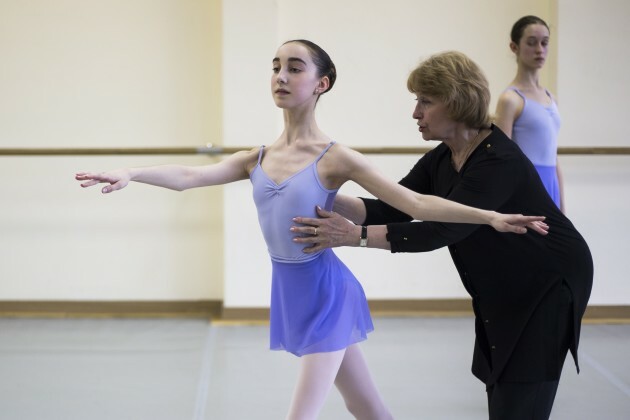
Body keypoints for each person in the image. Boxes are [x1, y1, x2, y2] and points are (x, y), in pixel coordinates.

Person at [76, 41, 545, 420]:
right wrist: (132, 172)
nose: (281, 76)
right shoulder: (257, 157)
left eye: (294, 68)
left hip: (328, 295)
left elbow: (415, 204)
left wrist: (488, 217)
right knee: (365, 408)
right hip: (291, 292)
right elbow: (190, 176)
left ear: (322, 83)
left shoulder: (336, 157)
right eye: (276, 67)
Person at [292, 51, 593, 420]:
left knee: (521, 392)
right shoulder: (443, 158)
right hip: (505, 284)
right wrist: (323, 192)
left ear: (456, 101)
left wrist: (355, 236)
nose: (415, 113)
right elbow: (392, 207)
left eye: (425, 101)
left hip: (548, 281)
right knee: (500, 381)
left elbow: (441, 230)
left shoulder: (498, 160)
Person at [494, 16, 565, 212]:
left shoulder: (552, 98)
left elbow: (553, 156)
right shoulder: (510, 99)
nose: (539, 50)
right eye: (532, 43)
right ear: (514, 47)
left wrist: (562, 207)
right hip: (526, 184)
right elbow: (501, 158)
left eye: (544, 43)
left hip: (551, 181)